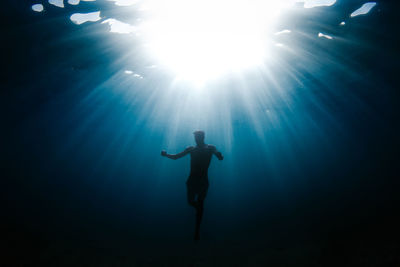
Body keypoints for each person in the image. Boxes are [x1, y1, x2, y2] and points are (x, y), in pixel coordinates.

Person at [161, 130, 223, 240]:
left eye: (198, 136)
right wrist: (166, 155)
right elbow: (176, 157)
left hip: (203, 181)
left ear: (203, 137)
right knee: (191, 202)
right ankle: (198, 211)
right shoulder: (191, 149)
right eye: (195, 136)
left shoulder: (210, 148)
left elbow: (217, 153)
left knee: (200, 204)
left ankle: (197, 231)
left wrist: (219, 155)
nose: (196, 138)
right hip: (192, 181)